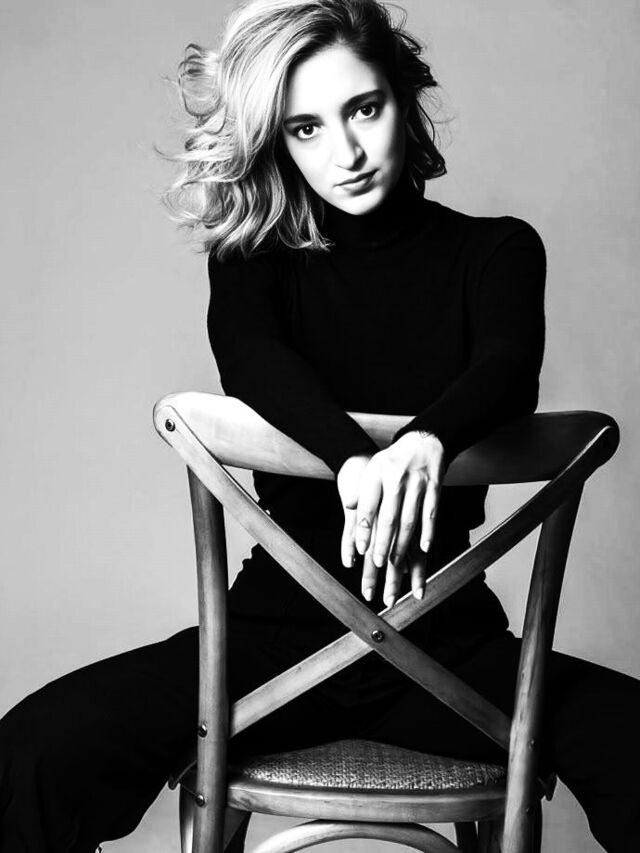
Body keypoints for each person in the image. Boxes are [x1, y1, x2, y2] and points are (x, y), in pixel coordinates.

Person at [0, 0, 638, 851]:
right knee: (32, 753)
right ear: (278, 141)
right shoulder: (253, 260)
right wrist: (353, 460)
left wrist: (424, 442)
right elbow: (254, 365)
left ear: (403, 97)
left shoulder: (498, 251)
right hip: (269, 644)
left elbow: (507, 369)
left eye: (364, 109)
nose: (345, 152)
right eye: (306, 128)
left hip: (453, 651)